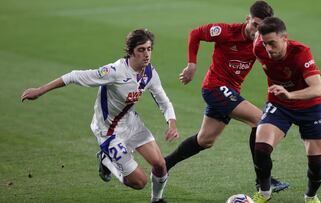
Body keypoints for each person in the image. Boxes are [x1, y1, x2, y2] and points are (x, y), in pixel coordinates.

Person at [21, 29, 179, 203]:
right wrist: (40, 90)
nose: (147, 54)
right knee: (139, 182)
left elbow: (164, 101)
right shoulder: (114, 72)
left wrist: (171, 123)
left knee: (160, 164)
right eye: (141, 49)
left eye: (149, 49)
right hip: (108, 131)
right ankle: (107, 161)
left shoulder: (149, 73)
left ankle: (157, 200)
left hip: (131, 123)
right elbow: (74, 76)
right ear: (131, 51)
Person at [164, 0, 288, 192]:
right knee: (259, 121)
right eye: (254, 24)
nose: (257, 31)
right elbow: (195, 34)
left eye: (261, 27)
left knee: (205, 140)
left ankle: (163, 165)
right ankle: (263, 180)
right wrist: (192, 64)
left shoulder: (262, 44)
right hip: (215, 88)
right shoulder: (226, 31)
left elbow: (274, 66)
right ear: (247, 19)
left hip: (229, 92)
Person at [251, 17, 321, 203]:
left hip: (310, 108)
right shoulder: (258, 47)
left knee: (316, 164)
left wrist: (290, 95)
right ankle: (265, 192)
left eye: (272, 43)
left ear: (285, 38)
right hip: (280, 105)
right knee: (260, 149)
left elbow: (317, 89)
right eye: (265, 43)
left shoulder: (301, 53)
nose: (268, 49)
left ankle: (310, 197)